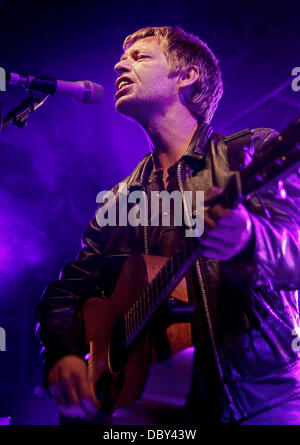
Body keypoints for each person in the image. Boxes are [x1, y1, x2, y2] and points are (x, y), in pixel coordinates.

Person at [36, 26, 300, 425]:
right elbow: (67, 290)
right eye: (123, 58)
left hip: (264, 402)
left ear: (187, 76)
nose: (119, 64)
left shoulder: (250, 152)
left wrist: (250, 240)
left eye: (140, 57)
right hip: (163, 415)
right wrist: (64, 353)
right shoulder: (119, 200)